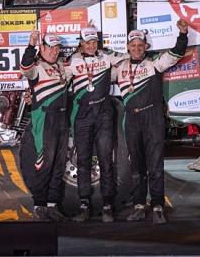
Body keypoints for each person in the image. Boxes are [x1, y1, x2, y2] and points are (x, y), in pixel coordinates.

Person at [113, 21, 189, 224]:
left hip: (152, 118)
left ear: (145, 46)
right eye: (133, 45)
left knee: (155, 165)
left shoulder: (154, 63)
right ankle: (139, 205)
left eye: (140, 45)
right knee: (136, 166)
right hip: (131, 119)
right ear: (128, 47)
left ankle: (157, 206)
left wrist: (183, 34)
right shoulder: (119, 67)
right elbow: (94, 74)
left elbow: (176, 53)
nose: (137, 48)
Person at [67, 26, 128, 222]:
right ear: (81, 43)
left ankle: (108, 205)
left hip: (103, 113)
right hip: (83, 115)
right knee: (83, 161)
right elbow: (58, 80)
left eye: (94, 42)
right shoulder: (72, 61)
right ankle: (84, 205)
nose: (91, 45)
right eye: (88, 42)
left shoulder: (107, 56)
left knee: (106, 160)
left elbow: (128, 59)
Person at [18, 32, 69, 222]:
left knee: (59, 164)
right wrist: (31, 45)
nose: (54, 51)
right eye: (50, 48)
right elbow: (25, 67)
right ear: (42, 48)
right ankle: (39, 205)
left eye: (57, 48)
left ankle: (52, 205)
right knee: (43, 163)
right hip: (45, 118)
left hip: (62, 118)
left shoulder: (61, 66)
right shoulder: (36, 68)